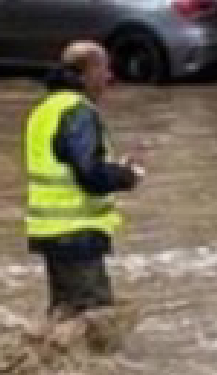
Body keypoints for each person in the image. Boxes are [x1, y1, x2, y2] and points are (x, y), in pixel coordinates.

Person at [24, 40, 144, 342]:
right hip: (76, 232)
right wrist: (125, 176)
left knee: (65, 315)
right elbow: (88, 173)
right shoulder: (78, 112)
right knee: (96, 322)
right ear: (87, 72)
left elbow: (68, 164)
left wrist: (113, 169)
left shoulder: (45, 110)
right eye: (104, 70)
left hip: (50, 231)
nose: (109, 78)